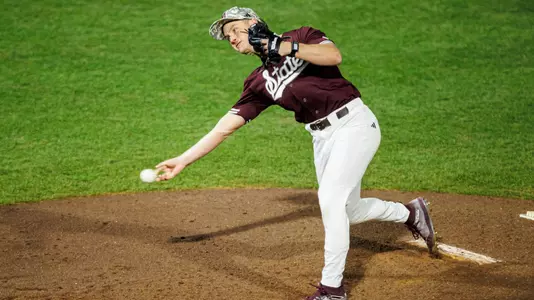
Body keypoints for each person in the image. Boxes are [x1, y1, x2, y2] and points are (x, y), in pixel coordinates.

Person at [156, 6, 437, 300]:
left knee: (330, 202)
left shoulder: (302, 36)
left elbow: (333, 56)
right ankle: (410, 213)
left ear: (253, 24)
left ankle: (331, 290)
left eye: (235, 31)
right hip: (322, 139)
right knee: (348, 210)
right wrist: (183, 159)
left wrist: (281, 46)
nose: (232, 39)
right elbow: (224, 127)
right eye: (227, 37)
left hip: (354, 124)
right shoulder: (259, 82)